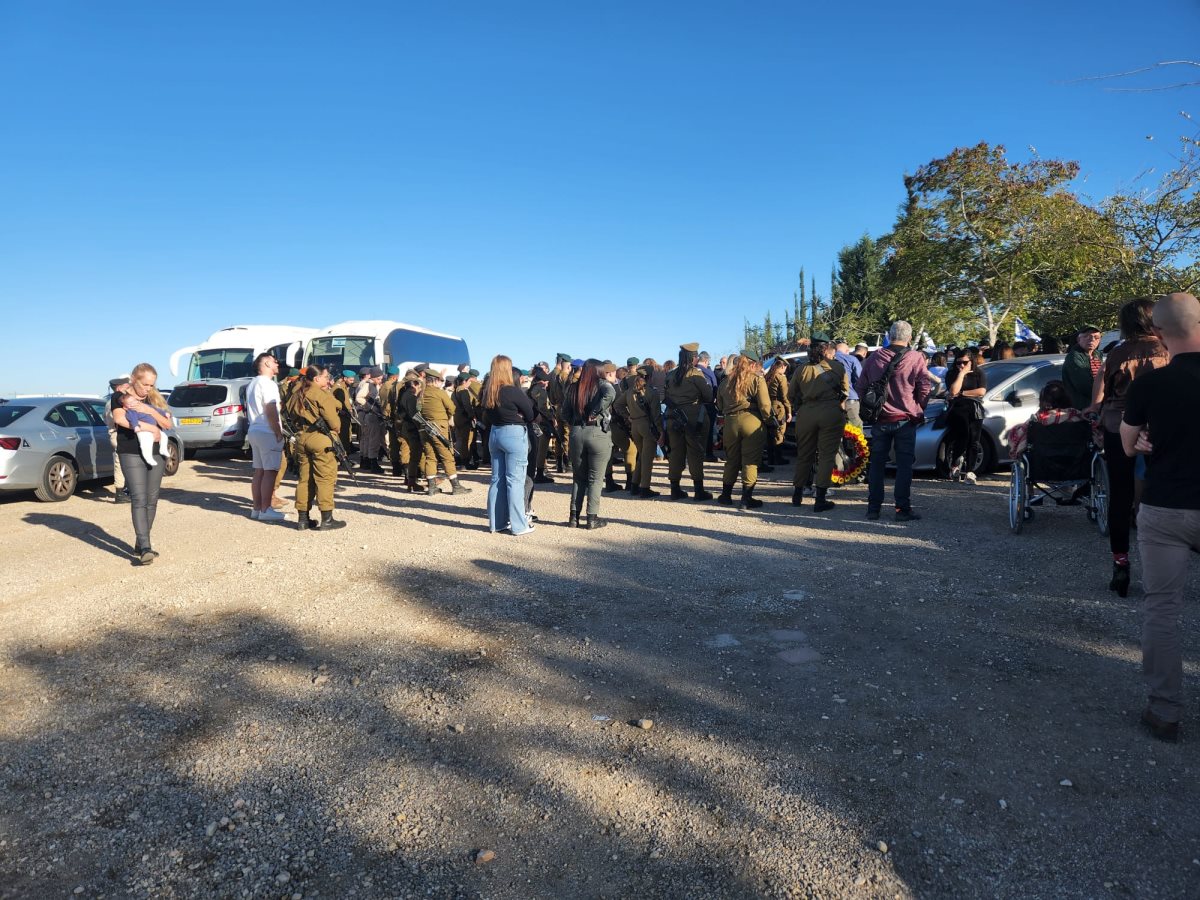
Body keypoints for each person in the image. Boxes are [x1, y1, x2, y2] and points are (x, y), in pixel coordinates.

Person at [1119, 292, 1200, 743]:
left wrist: (1148, 439)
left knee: (1163, 609)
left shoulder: (1153, 383)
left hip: (1167, 506)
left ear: (1161, 332)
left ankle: (1165, 709)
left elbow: (1130, 445)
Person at [1094, 297, 1170, 597]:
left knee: (1120, 495)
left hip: (1118, 426)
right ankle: (1162, 566)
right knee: (1162, 493)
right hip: (1158, 428)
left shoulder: (1116, 354)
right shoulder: (1165, 351)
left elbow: (1106, 390)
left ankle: (1120, 563)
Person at [856, 321, 931, 522]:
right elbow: (925, 387)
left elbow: (861, 386)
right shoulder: (915, 358)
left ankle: (873, 509)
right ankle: (902, 509)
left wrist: (870, 407)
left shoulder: (874, 357)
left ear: (890, 335)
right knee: (904, 465)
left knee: (877, 464)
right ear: (909, 336)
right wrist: (919, 407)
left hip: (881, 419)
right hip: (905, 419)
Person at [111, 363, 174, 563]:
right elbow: (120, 420)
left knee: (152, 498)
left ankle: (141, 540)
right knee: (139, 498)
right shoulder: (119, 398)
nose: (148, 388)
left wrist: (149, 410)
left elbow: (167, 424)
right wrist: (149, 427)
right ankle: (146, 546)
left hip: (156, 453)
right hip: (130, 451)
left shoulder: (153, 398)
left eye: (151, 385)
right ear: (134, 379)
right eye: (145, 384)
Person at [789, 333, 848, 513]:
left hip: (807, 413)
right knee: (826, 456)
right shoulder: (837, 367)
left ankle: (797, 495)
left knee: (804, 455)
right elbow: (845, 391)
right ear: (827, 348)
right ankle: (820, 498)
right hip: (830, 412)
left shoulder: (801, 370)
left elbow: (791, 395)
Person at [285, 365, 347, 531]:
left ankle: (303, 519)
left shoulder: (297, 392)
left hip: (301, 437)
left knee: (305, 479)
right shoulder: (320, 394)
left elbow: (289, 413)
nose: (328, 380)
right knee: (325, 478)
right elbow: (334, 424)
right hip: (320, 438)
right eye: (326, 377)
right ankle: (327, 519)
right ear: (317, 378)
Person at [481, 355, 536, 535]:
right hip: (513, 434)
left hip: (495, 433)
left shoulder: (489, 391)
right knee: (515, 480)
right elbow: (530, 414)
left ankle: (496, 523)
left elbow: (486, 415)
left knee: (497, 479)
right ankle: (519, 525)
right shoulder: (512, 391)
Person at [562, 359, 616, 528]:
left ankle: (574, 517)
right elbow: (611, 394)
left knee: (578, 478)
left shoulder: (572, 387)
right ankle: (592, 518)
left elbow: (564, 413)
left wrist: (577, 422)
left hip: (577, 432)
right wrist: (594, 411)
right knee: (595, 478)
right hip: (597, 433)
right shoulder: (601, 385)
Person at [715, 352, 772, 509]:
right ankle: (746, 499)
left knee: (732, 460)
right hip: (751, 421)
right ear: (753, 364)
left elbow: (719, 406)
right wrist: (768, 421)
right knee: (750, 461)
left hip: (730, 423)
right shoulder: (757, 380)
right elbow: (765, 406)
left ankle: (726, 495)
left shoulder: (725, 382)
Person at [664, 343, 715, 500]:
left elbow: (665, 397)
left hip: (673, 418)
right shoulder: (696, 375)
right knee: (695, 452)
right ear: (693, 358)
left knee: (676, 452)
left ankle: (675, 489)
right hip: (694, 418)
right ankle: (698, 491)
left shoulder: (670, 375)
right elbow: (708, 397)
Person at [245, 352, 287, 522]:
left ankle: (257, 508)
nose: (277, 365)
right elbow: (270, 409)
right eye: (275, 362)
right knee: (270, 472)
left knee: (260, 472)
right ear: (267, 364)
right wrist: (278, 431)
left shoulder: (253, 383)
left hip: (254, 429)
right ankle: (265, 509)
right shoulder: (268, 384)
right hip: (267, 430)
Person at [419, 368, 471, 495]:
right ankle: (456, 486)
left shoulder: (421, 393)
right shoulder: (439, 393)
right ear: (436, 380)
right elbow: (452, 407)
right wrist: (447, 416)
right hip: (439, 427)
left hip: (424, 427)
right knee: (447, 456)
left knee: (430, 457)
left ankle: (432, 486)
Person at [1007, 381, 1086, 459]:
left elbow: (1017, 439)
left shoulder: (1037, 420)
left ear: (1044, 402)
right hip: (1075, 463)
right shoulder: (1078, 417)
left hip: (1042, 465)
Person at [943, 350, 988, 484]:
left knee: (974, 440)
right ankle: (955, 466)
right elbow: (953, 391)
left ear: (971, 361)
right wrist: (961, 374)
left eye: (965, 362)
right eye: (959, 362)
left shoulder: (979, 373)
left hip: (975, 409)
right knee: (961, 437)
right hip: (958, 409)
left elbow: (981, 391)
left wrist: (963, 393)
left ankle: (970, 471)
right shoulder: (952, 374)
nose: (961, 365)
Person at [625, 364, 662, 498]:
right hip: (647, 426)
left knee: (642, 456)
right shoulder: (651, 392)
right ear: (650, 377)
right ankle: (645, 488)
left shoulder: (630, 391)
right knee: (647, 459)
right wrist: (661, 432)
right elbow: (656, 415)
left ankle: (635, 485)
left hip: (635, 425)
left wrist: (627, 416)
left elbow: (618, 404)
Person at [117, 389, 170, 467]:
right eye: (131, 403)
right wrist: (135, 426)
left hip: (153, 428)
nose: (134, 403)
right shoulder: (131, 411)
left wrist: (164, 413)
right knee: (146, 442)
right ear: (126, 407)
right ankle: (148, 457)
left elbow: (155, 409)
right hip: (143, 430)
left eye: (134, 401)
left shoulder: (145, 406)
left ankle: (163, 449)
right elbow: (133, 419)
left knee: (164, 437)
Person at [103, 376, 131, 503]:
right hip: (118, 434)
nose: (128, 388)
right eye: (126, 386)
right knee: (121, 464)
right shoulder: (116, 402)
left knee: (125, 463)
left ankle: (125, 490)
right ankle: (120, 493)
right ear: (119, 388)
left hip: (115, 434)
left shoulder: (109, 402)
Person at [1062, 325, 1104, 410]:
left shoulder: (1097, 354)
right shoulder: (1074, 357)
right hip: (1083, 407)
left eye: (1096, 337)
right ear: (1078, 339)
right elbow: (1085, 385)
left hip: (1098, 405)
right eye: (1087, 336)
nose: (1092, 339)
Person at [355, 367, 386, 473]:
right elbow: (359, 398)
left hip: (372, 415)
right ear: (374, 377)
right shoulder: (369, 385)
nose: (380, 380)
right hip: (371, 416)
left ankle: (366, 460)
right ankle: (373, 463)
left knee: (368, 439)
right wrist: (369, 407)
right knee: (373, 440)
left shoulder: (373, 385)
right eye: (379, 378)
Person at [764, 357, 791, 467]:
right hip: (778, 406)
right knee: (779, 432)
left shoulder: (767, 376)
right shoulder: (781, 378)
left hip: (768, 405)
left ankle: (771, 458)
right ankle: (778, 458)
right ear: (783, 366)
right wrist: (789, 410)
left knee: (770, 434)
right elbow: (785, 397)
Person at [834, 340, 864, 427]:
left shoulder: (828, 360)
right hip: (850, 398)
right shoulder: (852, 359)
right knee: (855, 428)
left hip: (831, 401)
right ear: (847, 351)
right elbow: (860, 379)